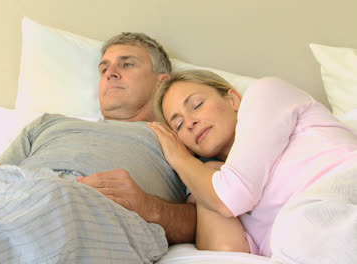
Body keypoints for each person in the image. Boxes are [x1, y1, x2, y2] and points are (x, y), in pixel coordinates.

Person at [0, 33, 196, 263]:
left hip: (86, 209)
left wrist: (149, 206)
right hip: (21, 195)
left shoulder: (182, 135)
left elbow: (214, 216)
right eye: (104, 69)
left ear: (162, 82)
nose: (110, 73)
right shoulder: (48, 124)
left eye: (126, 64)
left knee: (50, 198)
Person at [148, 69, 357, 263]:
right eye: (179, 125)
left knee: (298, 226)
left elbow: (232, 194)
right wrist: (203, 175)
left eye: (197, 105)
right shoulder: (217, 184)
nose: (190, 122)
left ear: (233, 99)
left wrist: (179, 158)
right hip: (304, 248)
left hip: (345, 190)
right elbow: (224, 254)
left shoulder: (267, 93)